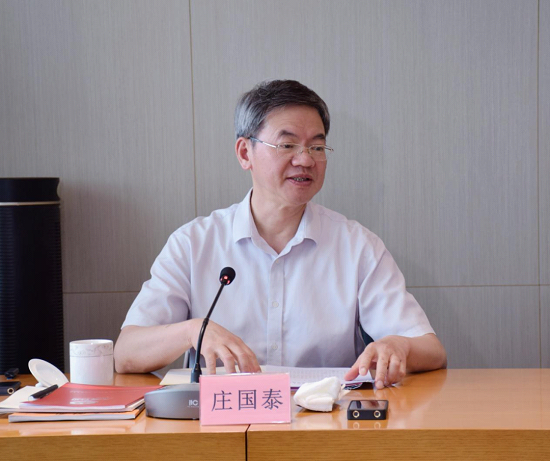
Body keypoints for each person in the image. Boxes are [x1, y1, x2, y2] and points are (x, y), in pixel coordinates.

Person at [114, 80, 447, 389]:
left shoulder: (357, 246)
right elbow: (126, 353)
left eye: (317, 147)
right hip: (221, 423)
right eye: (287, 144)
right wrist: (193, 330)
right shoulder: (193, 244)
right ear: (245, 153)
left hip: (325, 424)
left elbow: (431, 350)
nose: (305, 160)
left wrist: (398, 345)